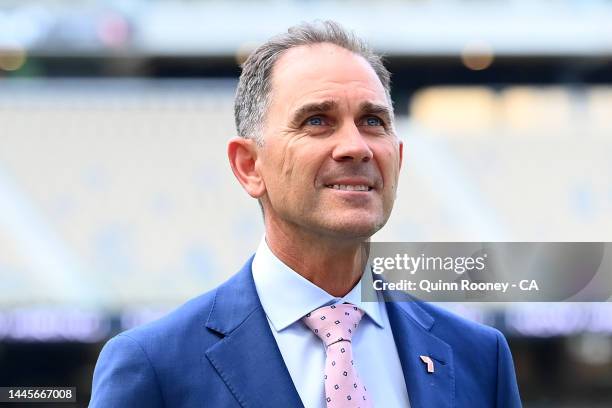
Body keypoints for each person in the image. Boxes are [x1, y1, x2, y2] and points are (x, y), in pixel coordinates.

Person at [90, 21, 521, 407]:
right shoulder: (155, 367)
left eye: (373, 121)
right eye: (317, 120)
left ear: (399, 158)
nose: (356, 146)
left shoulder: (479, 359)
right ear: (248, 166)